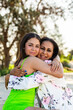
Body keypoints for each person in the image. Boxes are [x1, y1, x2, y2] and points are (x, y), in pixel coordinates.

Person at [6, 37, 73, 110]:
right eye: (42, 48)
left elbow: (29, 82)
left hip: (63, 106)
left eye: (49, 50)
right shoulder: (38, 65)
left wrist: (9, 77)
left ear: (52, 53)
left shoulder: (51, 65)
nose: (44, 52)